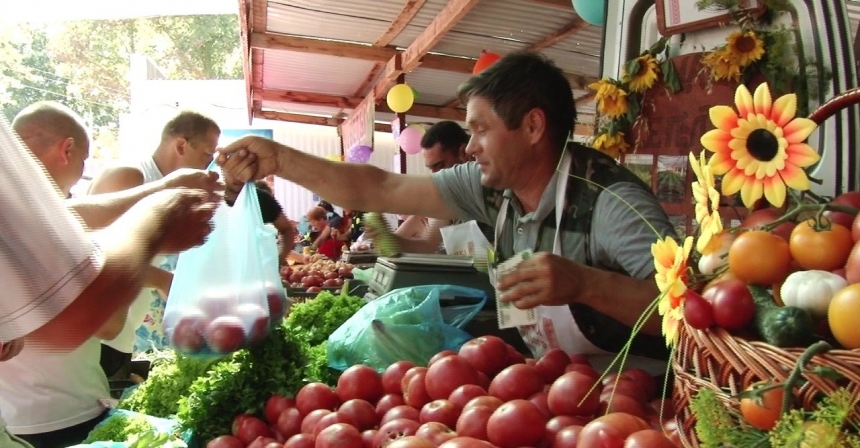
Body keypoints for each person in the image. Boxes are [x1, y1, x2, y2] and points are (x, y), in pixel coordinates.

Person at [216, 51, 679, 373]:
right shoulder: (489, 187)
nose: (471, 147)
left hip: (635, 399)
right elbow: (381, 186)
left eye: (481, 130)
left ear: (533, 126)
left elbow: (690, 312)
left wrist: (586, 283)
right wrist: (280, 159)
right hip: (556, 386)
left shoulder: (612, 204)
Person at [0, 114, 219, 448]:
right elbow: (89, 321)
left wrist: (160, 194)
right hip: (46, 419)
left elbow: (52, 217)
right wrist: (155, 225)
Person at [87, 110, 221, 371]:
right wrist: (163, 279)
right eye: (207, 154)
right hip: (97, 335)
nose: (210, 164)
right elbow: (94, 256)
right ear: (181, 145)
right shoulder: (130, 177)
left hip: (123, 335)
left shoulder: (171, 191)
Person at [363, 121, 492, 254]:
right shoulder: (445, 197)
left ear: (464, 153)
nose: (436, 175)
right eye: (432, 168)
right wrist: (385, 238)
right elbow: (428, 245)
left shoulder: (490, 185)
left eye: (441, 165)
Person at [224, 179, 297, 261]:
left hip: (256, 269)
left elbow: (286, 230)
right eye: (231, 169)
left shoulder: (262, 199)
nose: (238, 175)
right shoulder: (211, 199)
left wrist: (278, 261)